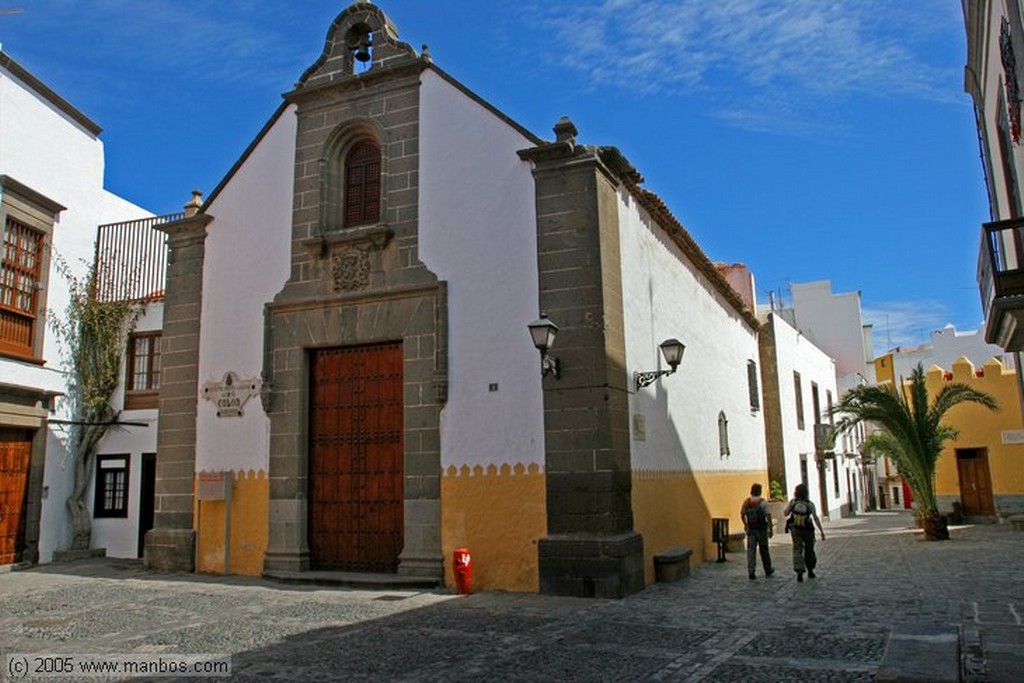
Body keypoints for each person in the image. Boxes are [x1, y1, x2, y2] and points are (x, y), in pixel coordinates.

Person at [784, 483, 826, 582]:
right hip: (808, 530)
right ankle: (810, 570)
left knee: (797, 550)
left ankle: (799, 572)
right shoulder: (810, 504)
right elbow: (815, 518)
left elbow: (785, 513)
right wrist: (821, 531)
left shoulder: (793, 502)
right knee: (809, 550)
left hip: (796, 529)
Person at [740, 483, 774, 580]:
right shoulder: (763, 503)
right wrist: (770, 529)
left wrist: (746, 525)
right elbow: (768, 516)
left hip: (751, 530)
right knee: (764, 550)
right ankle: (768, 569)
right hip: (761, 530)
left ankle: (751, 571)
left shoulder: (747, 502)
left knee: (751, 551)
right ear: (760, 491)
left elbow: (742, 514)